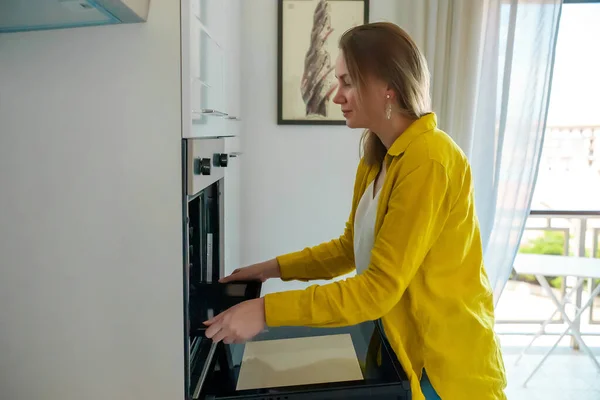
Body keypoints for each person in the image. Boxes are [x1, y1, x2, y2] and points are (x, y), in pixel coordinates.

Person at [204, 22, 507, 399]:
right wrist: (268, 270)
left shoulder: (430, 160)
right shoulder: (377, 156)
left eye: (347, 82)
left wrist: (266, 311)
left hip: (445, 370)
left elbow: (377, 290)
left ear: (388, 89)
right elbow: (349, 249)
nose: (337, 95)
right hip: (398, 348)